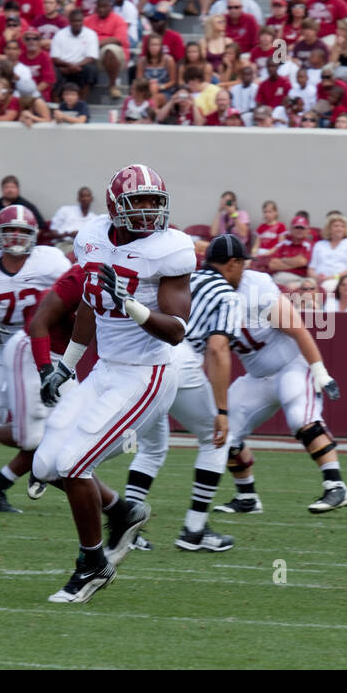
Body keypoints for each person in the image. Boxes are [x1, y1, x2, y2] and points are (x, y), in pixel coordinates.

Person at [30, 164, 194, 604]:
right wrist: (66, 364)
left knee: (73, 464)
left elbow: (177, 329)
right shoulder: (91, 237)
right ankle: (123, 511)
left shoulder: (171, 249)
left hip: (148, 372)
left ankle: (93, 564)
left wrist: (128, 302)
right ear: (114, 205)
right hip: (105, 369)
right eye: (136, 201)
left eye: (153, 202)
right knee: (45, 465)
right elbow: (89, 305)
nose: (146, 212)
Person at [119, 233, 248, 552]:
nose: (243, 271)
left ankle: (127, 530)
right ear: (232, 264)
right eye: (242, 264)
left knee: (151, 448)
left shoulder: (185, 280)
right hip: (179, 359)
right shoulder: (228, 294)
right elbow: (218, 349)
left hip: (145, 358)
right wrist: (222, 410)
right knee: (217, 440)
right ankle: (194, 530)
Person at [0, 205, 70, 513]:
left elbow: (68, 295)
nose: (16, 237)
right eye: (9, 231)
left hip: (40, 348)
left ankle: (35, 469)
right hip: (2, 346)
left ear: (34, 236)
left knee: (48, 422)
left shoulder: (51, 261)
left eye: (23, 231)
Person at [209, 264, 347, 516]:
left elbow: (298, 329)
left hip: (291, 367)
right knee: (224, 431)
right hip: (257, 377)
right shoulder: (211, 293)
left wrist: (320, 372)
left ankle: (336, 486)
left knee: (301, 419)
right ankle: (247, 497)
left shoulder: (256, 287)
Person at [0, 175, 45, 240]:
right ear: (2, 189)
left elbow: (40, 226)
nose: (10, 190)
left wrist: (29, 240)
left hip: (19, 245)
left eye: (12, 187)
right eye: (6, 187)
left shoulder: (26, 206)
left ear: (18, 189)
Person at [308, 213, 347, 293]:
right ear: (329, 229)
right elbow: (311, 269)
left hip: (341, 280)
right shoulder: (319, 244)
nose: (339, 228)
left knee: (326, 287)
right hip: (318, 280)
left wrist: (332, 277)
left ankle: (319, 305)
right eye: (336, 226)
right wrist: (317, 277)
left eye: (342, 226)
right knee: (303, 287)